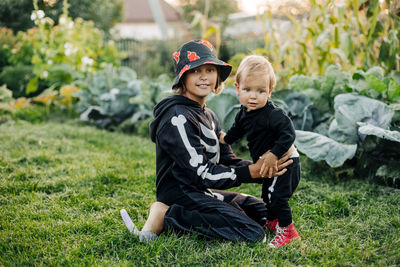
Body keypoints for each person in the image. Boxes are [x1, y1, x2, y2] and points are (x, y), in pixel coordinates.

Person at [120, 40, 294, 244]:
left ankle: (214, 212)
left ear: (217, 75)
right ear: (182, 78)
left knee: (263, 212)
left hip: (201, 190)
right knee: (253, 233)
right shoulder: (177, 118)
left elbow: (228, 159)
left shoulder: (208, 115)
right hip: (182, 193)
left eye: (210, 69)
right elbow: (201, 172)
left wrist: (264, 169)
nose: (203, 76)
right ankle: (167, 216)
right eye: (195, 71)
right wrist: (250, 172)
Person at [219, 55, 301, 248]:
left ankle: (288, 231)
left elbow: (289, 134)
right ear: (237, 89)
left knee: (277, 197)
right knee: (266, 195)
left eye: (260, 91)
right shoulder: (243, 113)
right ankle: (273, 222)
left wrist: (273, 154)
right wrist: (225, 139)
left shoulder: (273, 115)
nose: (253, 96)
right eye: (247, 90)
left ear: (270, 91)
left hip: (285, 163)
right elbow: (237, 130)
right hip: (268, 163)